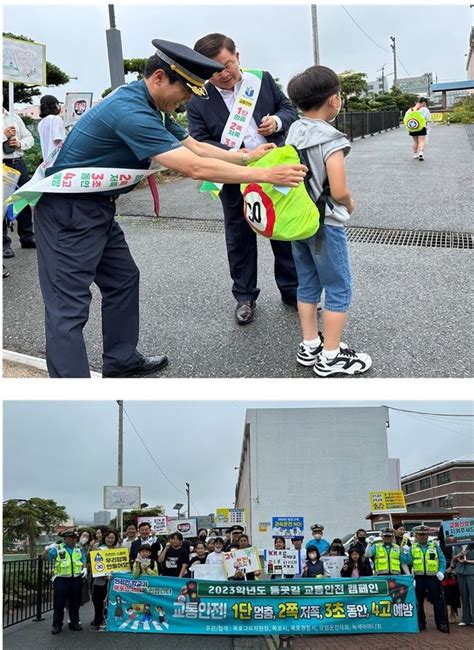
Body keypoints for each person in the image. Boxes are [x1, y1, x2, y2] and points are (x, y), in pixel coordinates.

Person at [24, 38, 306, 378]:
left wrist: (245, 156)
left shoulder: (151, 105)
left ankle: (121, 359)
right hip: (67, 212)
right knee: (68, 309)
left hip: (97, 207)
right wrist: (262, 174)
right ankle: (73, 393)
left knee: (123, 279)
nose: (188, 101)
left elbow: (195, 146)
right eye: (186, 91)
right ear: (159, 77)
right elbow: (192, 167)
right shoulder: (131, 112)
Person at [187, 32, 300, 325]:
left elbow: (289, 110)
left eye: (228, 64)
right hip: (233, 174)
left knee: (282, 227)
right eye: (214, 70)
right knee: (239, 235)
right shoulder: (197, 98)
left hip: (275, 168)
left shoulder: (260, 80)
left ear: (238, 56)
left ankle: (292, 290)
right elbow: (200, 142)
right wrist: (238, 155)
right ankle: (245, 296)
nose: (224, 74)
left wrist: (277, 121)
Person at [286, 65, 372, 377]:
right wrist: (349, 203)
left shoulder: (294, 131)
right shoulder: (331, 138)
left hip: (298, 221)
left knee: (307, 282)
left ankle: (310, 345)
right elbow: (338, 189)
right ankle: (332, 355)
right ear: (334, 100)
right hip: (326, 224)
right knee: (338, 287)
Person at [3, 104, 36, 259]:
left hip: (18, 162)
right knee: (2, 204)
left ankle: (27, 236)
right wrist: (4, 136)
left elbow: (29, 137)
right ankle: (4, 244)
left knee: (22, 199)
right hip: (3, 164)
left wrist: (20, 144)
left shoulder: (14, 117)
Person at [41, 529, 87, 635]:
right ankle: (57, 625)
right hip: (61, 579)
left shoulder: (78, 548)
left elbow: (83, 559)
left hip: (76, 579)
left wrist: (85, 568)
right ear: (65, 539)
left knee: (75, 603)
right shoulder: (57, 548)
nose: (73, 540)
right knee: (59, 603)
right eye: (71, 538)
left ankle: (74, 622)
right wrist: (47, 549)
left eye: (75, 538)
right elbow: (43, 558)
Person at [405, 524, 448, 633]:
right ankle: (421, 622)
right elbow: (408, 562)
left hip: (433, 577)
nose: (423, 537)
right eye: (420, 534)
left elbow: (442, 560)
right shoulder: (412, 548)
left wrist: (441, 571)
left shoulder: (434, 546)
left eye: (425, 534)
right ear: (416, 535)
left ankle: (441, 623)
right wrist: (404, 553)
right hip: (418, 578)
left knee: (437, 600)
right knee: (418, 601)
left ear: (428, 535)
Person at [90, 529, 120, 630]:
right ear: (104, 538)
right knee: (97, 600)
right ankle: (97, 620)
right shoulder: (99, 549)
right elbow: (96, 565)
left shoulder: (118, 549)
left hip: (114, 581)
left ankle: (108, 620)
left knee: (112, 601)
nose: (110, 539)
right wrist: (104, 575)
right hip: (100, 580)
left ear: (115, 539)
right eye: (108, 537)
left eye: (112, 538)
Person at [451, 543, 474, 626]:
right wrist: (459, 555)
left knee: (473, 596)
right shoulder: (457, 545)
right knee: (464, 597)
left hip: (472, 571)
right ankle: (466, 619)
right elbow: (453, 558)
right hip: (460, 571)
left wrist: (468, 561)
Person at [38, 94, 67, 161]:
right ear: (55, 105)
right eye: (58, 104)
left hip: (47, 161)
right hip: (57, 159)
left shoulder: (41, 123)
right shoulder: (56, 119)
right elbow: (58, 140)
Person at [404, 97, 431, 161]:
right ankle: (421, 153)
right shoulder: (424, 109)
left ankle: (415, 154)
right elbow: (428, 118)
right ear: (424, 103)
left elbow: (405, 119)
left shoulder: (410, 110)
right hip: (421, 127)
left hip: (413, 127)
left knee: (415, 141)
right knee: (421, 141)